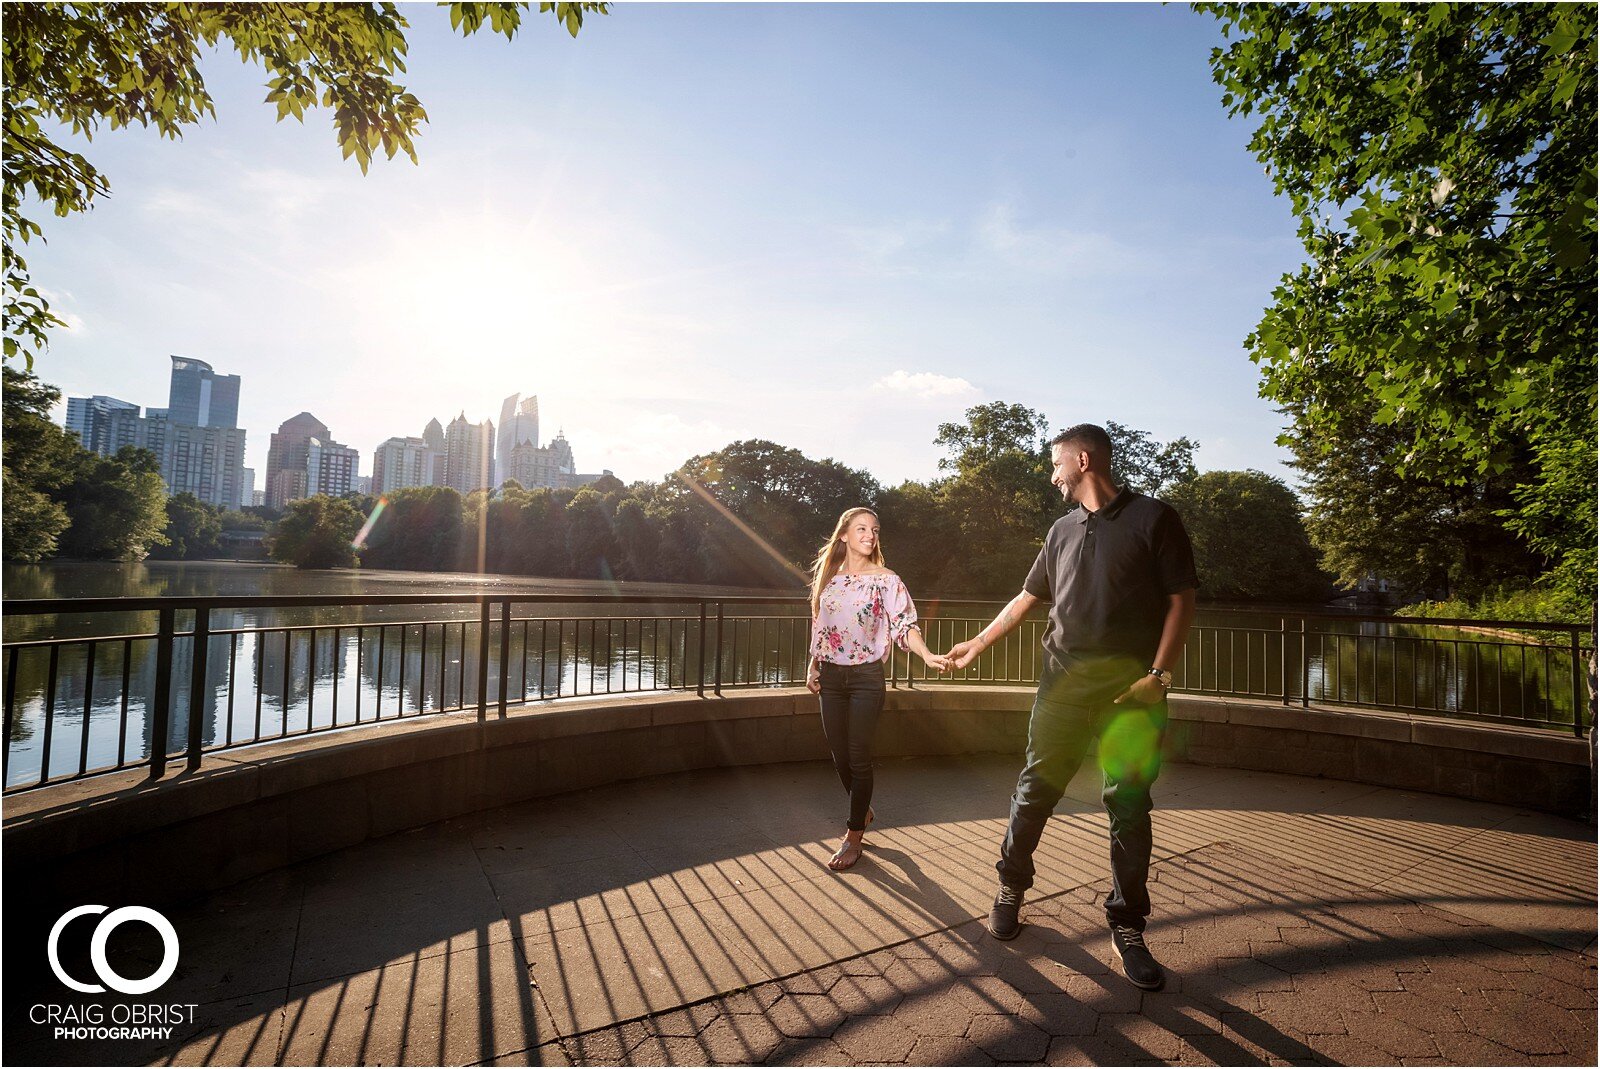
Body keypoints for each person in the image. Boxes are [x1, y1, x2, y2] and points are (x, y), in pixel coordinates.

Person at [944, 424, 1196, 991]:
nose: (1052, 474)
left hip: (1130, 697)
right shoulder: (1060, 531)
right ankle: (1011, 887)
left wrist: (1158, 677)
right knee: (1036, 789)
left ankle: (1128, 926)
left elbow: (1183, 601)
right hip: (1060, 689)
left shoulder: (1155, 519)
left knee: (1129, 805)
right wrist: (978, 643)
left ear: (1083, 460)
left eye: (1056, 464)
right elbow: (1029, 597)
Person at [806, 507, 948, 871]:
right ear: (844, 535)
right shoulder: (830, 579)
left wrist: (927, 654)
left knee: (858, 754)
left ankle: (854, 835)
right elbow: (820, 624)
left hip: (867, 677)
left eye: (874, 529)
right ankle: (862, 808)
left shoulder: (887, 580)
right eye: (861, 528)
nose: (870, 535)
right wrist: (813, 664)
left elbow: (905, 625)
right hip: (832, 678)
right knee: (839, 755)